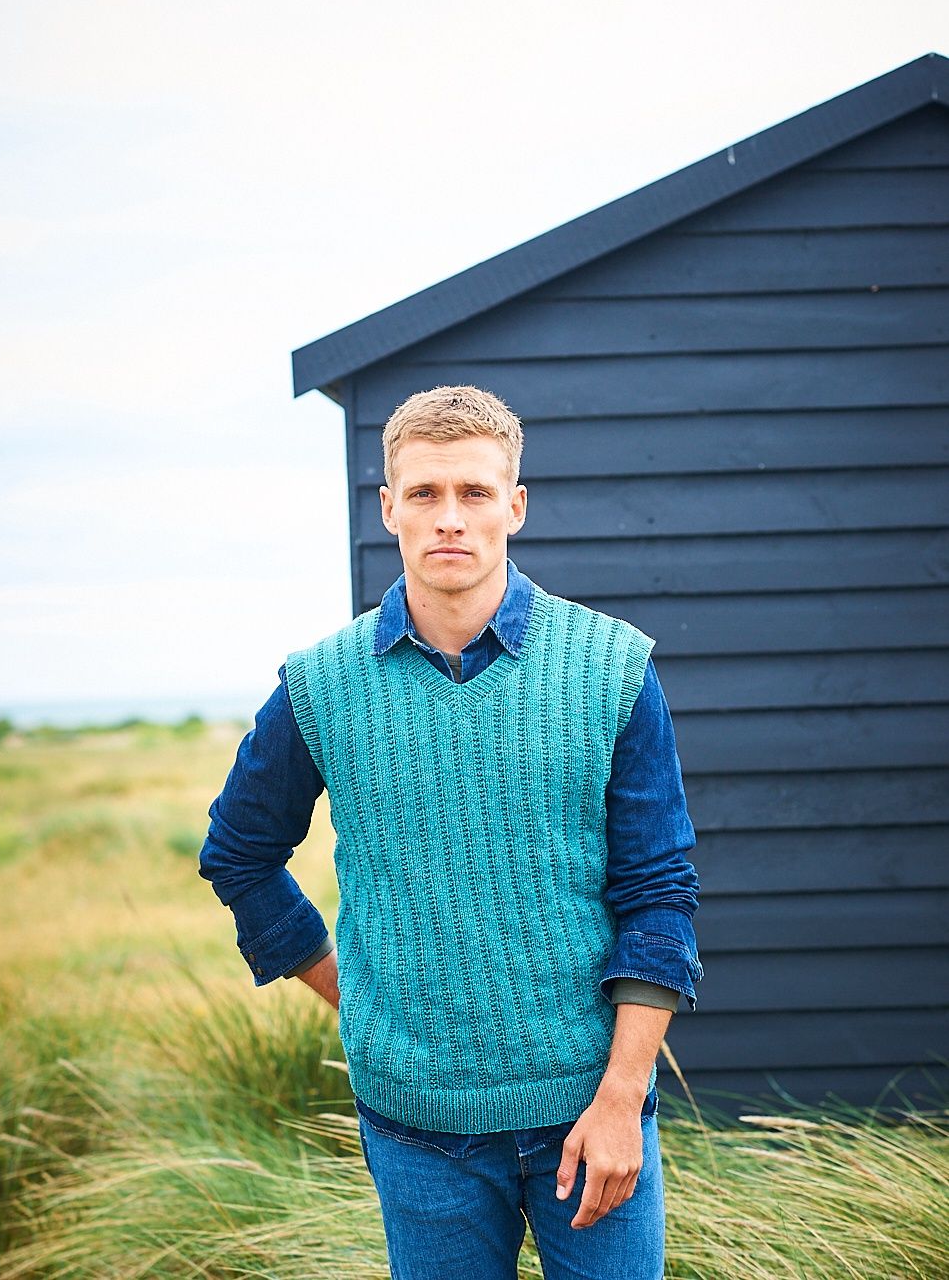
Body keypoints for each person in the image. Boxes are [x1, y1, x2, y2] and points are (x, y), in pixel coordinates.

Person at [199, 384, 703, 1280]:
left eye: (473, 493)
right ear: (388, 506)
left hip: (590, 1108)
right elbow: (239, 853)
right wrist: (353, 997)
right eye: (425, 495)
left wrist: (624, 1096)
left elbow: (657, 891)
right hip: (414, 1122)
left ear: (514, 505)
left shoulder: (611, 667)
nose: (449, 519)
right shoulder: (321, 684)